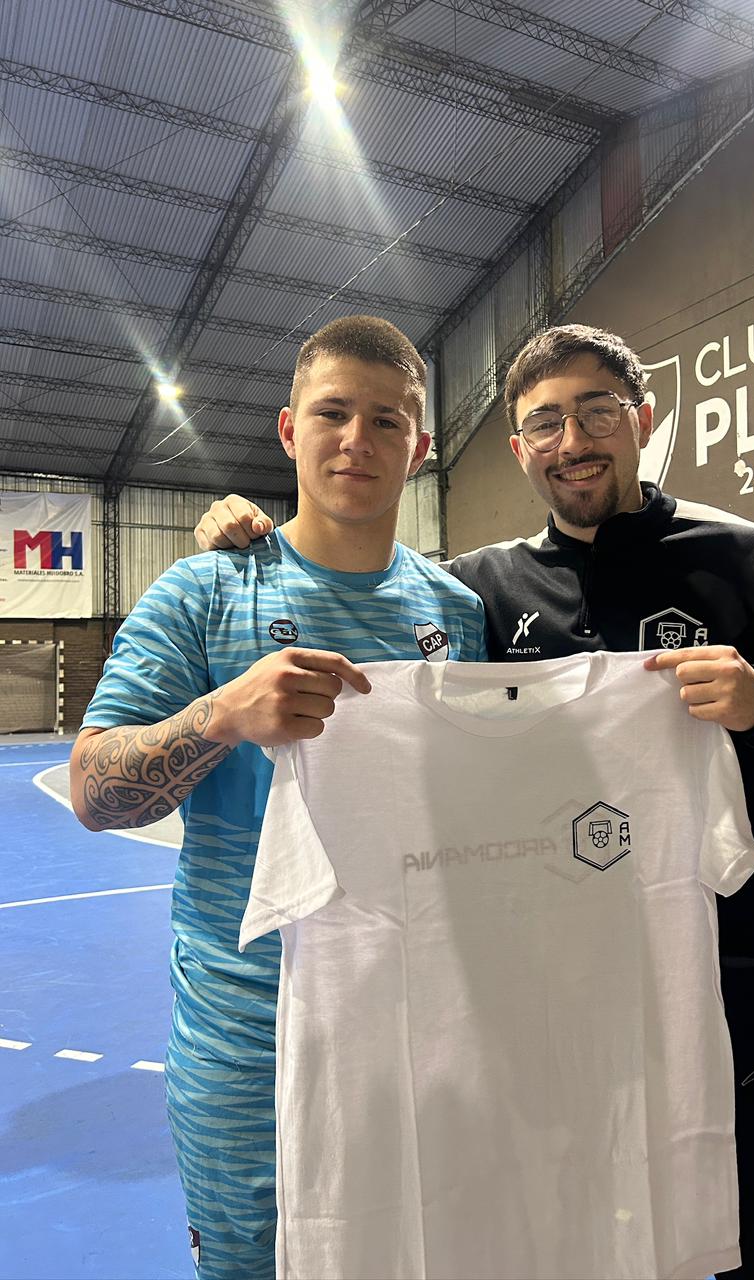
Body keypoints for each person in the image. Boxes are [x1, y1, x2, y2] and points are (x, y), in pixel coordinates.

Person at [200, 322, 754, 1280]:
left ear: (643, 419)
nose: (574, 441)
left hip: (727, 967)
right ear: (518, 447)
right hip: (548, 989)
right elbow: (358, 592)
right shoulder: (478, 591)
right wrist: (251, 537)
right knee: (572, 1222)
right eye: (544, 423)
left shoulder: (747, 559)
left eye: (598, 411)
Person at [70, 316, 487, 1280]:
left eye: (388, 421)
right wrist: (222, 713)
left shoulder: (457, 615)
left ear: (421, 448)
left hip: (415, 1026)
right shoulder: (204, 593)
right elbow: (94, 791)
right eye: (332, 413)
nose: (358, 440)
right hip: (248, 1038)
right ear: (290, 432)